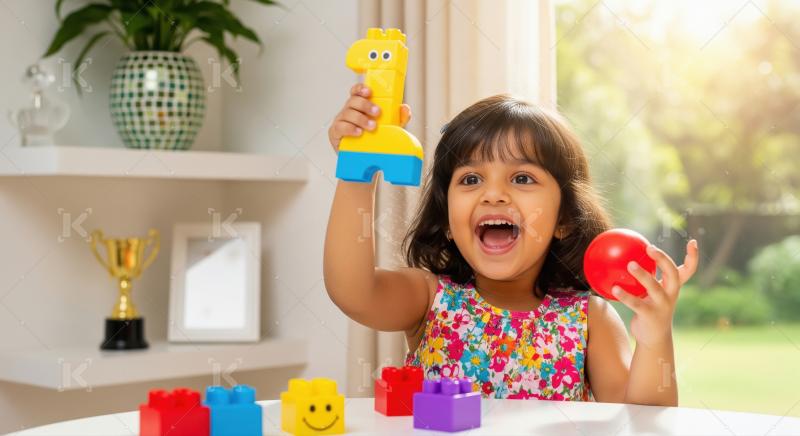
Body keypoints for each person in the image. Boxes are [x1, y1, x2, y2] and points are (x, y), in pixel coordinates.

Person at [324, 84, 699, 405]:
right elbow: (353, 291)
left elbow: (642, 421)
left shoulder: (589, 318)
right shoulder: (429, 297)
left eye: (521, 177)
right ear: (447, 222)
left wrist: (653, 335)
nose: (494, 195)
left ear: (564, 220)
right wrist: (357, 170)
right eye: (471, 179)